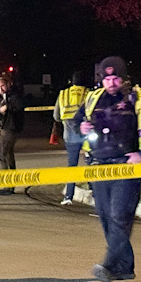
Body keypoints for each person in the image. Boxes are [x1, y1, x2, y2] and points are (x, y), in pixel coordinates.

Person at [74, 56, 141, 282]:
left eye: (116, 78)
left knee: (119, 216)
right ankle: (124, 267)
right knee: (106, 217)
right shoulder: (93, 98)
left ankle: (109, 264)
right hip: (98, 166)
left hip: (126, 167)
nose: (112, 82)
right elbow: (76, 122)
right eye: (107, 78)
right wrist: (81, 126)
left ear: (124, 79)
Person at [53, 71, 88, 205]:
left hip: (69, 136)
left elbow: (56, 117)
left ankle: (68, 196)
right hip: (87, 135)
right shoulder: (88, 93)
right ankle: (93, 190)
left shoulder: (63, 94)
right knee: (90, 162)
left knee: (72, 165)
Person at [0, 78, 25, 195]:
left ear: (8, 84)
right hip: (7, 128)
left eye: (2, 86)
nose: (1, 89)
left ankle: (5, 185)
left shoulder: (14, 96)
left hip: (9, 129)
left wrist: (7, 107)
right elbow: (1, 115)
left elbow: (19, 107)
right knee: (8, 155)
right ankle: (10, 184)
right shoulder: (5, 98)